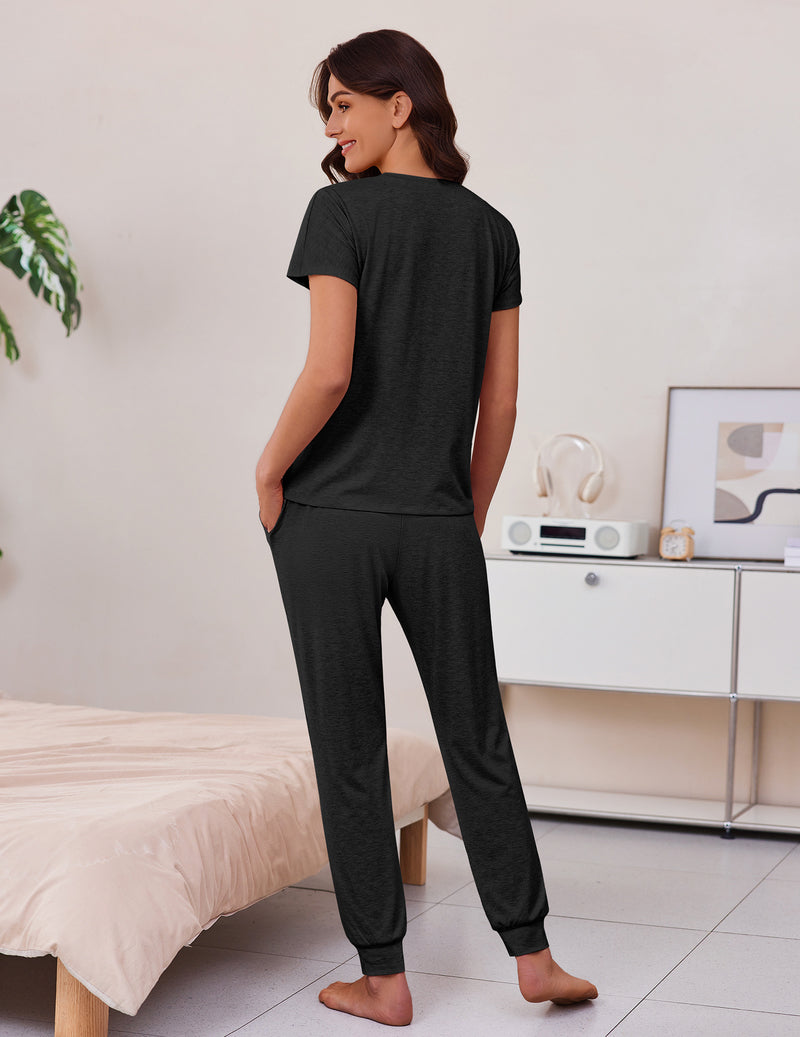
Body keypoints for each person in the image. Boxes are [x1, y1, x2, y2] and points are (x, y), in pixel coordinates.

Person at [255, 28, 598, 1027]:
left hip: (327, 517)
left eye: (343, 104)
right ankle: (534, 956)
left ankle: (383, 977)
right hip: (437, 519)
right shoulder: (491, 232)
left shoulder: (336, 214)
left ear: (398, 104)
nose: (331, 127)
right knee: (475, 733)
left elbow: (328, 373)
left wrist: (269, 469)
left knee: (349, 744)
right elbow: (502, 403)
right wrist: (465, 510)